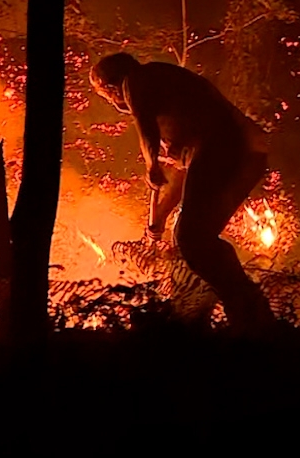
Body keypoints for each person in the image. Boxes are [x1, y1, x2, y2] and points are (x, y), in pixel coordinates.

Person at [89, 52, 277, 336]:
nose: (115, 104)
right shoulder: (176, 102)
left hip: (224, 146)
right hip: (248, 153)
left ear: (110, 87)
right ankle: (244, 313)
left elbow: (145, 127)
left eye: (106, 96)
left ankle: (248, 313)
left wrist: (151, 163)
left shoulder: (136, 79)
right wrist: (161, 215)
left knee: (191, 237)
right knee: (195, 238)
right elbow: (191, 171)